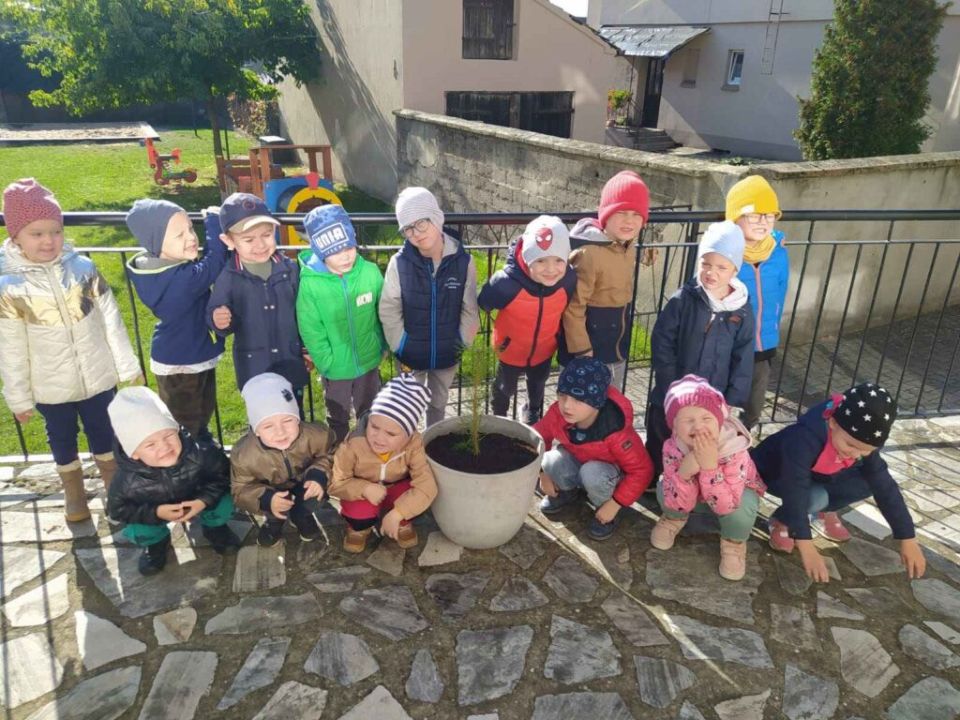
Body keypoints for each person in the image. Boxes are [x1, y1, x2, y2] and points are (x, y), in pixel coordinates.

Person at [0, 178, 142, 522]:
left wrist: (127, 367)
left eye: (55, 231)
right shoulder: (10, 287)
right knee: (61, 437)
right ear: (16, 237)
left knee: (104, 430)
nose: (48, 240)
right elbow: (10, 348)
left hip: (97, 375)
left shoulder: (83, 270)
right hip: (50, 385)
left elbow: (111, 320)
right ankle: (74, 492)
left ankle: (115, 488)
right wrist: (18, 397)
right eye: (36, 233)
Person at [752, 382, 926, 582]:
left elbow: (885, 486)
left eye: (865, 450)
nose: (855, 454)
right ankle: (783, 520)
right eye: (850, 445)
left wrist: (907, 537)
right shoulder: (804, 439)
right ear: (833, 423)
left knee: (868, 482)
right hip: (776, 474)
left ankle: (822, 510)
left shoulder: (858, 440)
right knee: (814, 497)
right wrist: (805, 543)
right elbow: (795, 488)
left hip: (820, 475)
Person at [647, 221, 755, 480]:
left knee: (699, 438)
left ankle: (688, 483)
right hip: (673, 389)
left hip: (713, 393)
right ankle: (653, 478)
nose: (711, 272)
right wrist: (669, 385)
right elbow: (662, 341)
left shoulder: (741, 308)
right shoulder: (683, 299)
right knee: (661, 434)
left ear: (735, 269)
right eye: (705, 264)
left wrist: (733, 397)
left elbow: (743, 354)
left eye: (721, 267)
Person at [106, 387, 240, 575]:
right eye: (150, 444)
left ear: (177, 430)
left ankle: (214, 528)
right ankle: (156, 543)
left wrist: (203, 501)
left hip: (198, 498)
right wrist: (156, 512)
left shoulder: (201, 453)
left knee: (225, 502)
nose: (164, 447)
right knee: (139, 528)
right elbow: (116, 510)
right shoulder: (126, 479)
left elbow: (225, 477)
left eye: (169, 435)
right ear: (133, 453)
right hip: (156, 510)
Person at [125, 200, 228, 441]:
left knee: (196, 421)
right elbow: (214, 262)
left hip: (183, 355)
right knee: (187, 428)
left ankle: (202, 453)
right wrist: (213, 221)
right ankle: (190, 461)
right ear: (156, 242)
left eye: (191, 228)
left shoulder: (165, 272)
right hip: (182, 363)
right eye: (179, 235)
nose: (191, 237)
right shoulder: (181, 280)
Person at [649, 375, 766, 581]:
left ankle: (733, 542)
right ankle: (674, 519)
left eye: (706, 419)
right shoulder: (672, 447)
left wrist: (710, 468)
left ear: (719, 421)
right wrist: (684, 474)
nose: (698, 427)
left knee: (745, 504)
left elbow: (727, 506)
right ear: (674, 426)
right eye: (688, 420)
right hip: (693, 498)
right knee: (664, 485)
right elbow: (673, 494)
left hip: (729, 501)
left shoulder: (734, 450)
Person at [379, 187, 479, 426]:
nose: (416, 234)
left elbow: (469, 307)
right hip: (410, 354)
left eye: (421, 223)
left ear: (436, 218)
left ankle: (432, 440)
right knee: (407, 406)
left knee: (438, 403)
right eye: (408, 228)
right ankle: (409, 443)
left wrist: (462, 341)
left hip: (447, 352)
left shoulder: (464, 262)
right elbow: (389, 307)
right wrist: (400, 343)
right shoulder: (399, 263)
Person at [206, 193, 308, 407]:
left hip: (290, 363)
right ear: (229, 241)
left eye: (267, 235)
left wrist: (307, 349)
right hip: (254, 368)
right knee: (262, 417)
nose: (260, 244)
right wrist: (219, 320)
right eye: (249, 239)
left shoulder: (290, 269)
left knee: (294, 413)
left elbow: (305, 313)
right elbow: (216, 311)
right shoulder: (229, 277)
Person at [534, 357, 654, 540]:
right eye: (562, 395)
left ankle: (604, 508)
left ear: (596, 401)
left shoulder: (615, 427)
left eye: (578, 399)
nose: (566, 405)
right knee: (550, 460)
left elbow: (642, 470)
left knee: (592, 473)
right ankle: (567, 491)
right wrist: (542, 474)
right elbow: (536, 438)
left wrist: (615, 504)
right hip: (579, 462)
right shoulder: (558, 413)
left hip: (607, 475)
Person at [296, 204, 385, 445]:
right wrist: (327, 361)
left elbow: (381, 312)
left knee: (370, 411)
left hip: (368, 360)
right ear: (321, 252)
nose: (345, 256)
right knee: (338, 416)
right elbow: (311, 328)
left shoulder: (370, 273)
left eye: (349, 248)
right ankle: (340, 453)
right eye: (335, 252)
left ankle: (366, 451)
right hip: (335, 369)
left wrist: (380, 345)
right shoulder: (311, 284)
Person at [478, 215, 576, 424]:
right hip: (510, 349)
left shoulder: (568, 280)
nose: (551, 269)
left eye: (559, 260)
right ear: (527, 257)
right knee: (504, 387)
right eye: (540, 260)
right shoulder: (506, 283)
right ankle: (499, 418)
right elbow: (484, 302)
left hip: (544, 348)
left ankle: (532, 411)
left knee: (538, 382)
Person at [328, 374, 438, 553]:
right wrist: (364, 488)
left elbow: (427, 485)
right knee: (359, 515)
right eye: (374, 427)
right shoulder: (353, 444)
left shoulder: (414, 444)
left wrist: (398, 513)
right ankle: (359, 527)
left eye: (391, 434)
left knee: (414, 500)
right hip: (364, 492)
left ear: (408, 434)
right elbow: (336, 483)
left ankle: (400, 519)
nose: (379, 438)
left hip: (396, 487)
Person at [561, 170, 649, 390]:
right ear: (606, 215)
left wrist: (647, 255)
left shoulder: (627, 245)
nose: (629, 221)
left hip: (615, 340)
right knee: (581, 399)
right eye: (621, 213)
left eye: (636, 214)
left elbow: (619, 260)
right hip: (591, 344)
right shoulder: (590, 253)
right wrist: (582, 349)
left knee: (612, 397)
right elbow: (574, 306)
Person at [230, 373, 334, 546]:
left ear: (298, 419)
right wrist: (266, 499)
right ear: (256, 430)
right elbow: (240, 489)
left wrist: (318, 475)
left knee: (313, 497)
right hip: (270, 489)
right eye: (268, 426)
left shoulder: (317, 435)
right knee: (275, 506)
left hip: (304, 481)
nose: (280, 432)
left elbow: (330, 453)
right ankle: (274, 522)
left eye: (287, 420)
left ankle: (301, 516)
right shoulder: (244, 455)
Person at [726, 175, 790, 429]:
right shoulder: (724, 252)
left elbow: (780, 293)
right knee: (723, 405)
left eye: (769, 215)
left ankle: (744, 445)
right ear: (735, 217)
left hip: (763, 345)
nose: (763, 222)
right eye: (754, 215)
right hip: (729, 345)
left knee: (753, 407)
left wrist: (771, 333)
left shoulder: (778, 251)